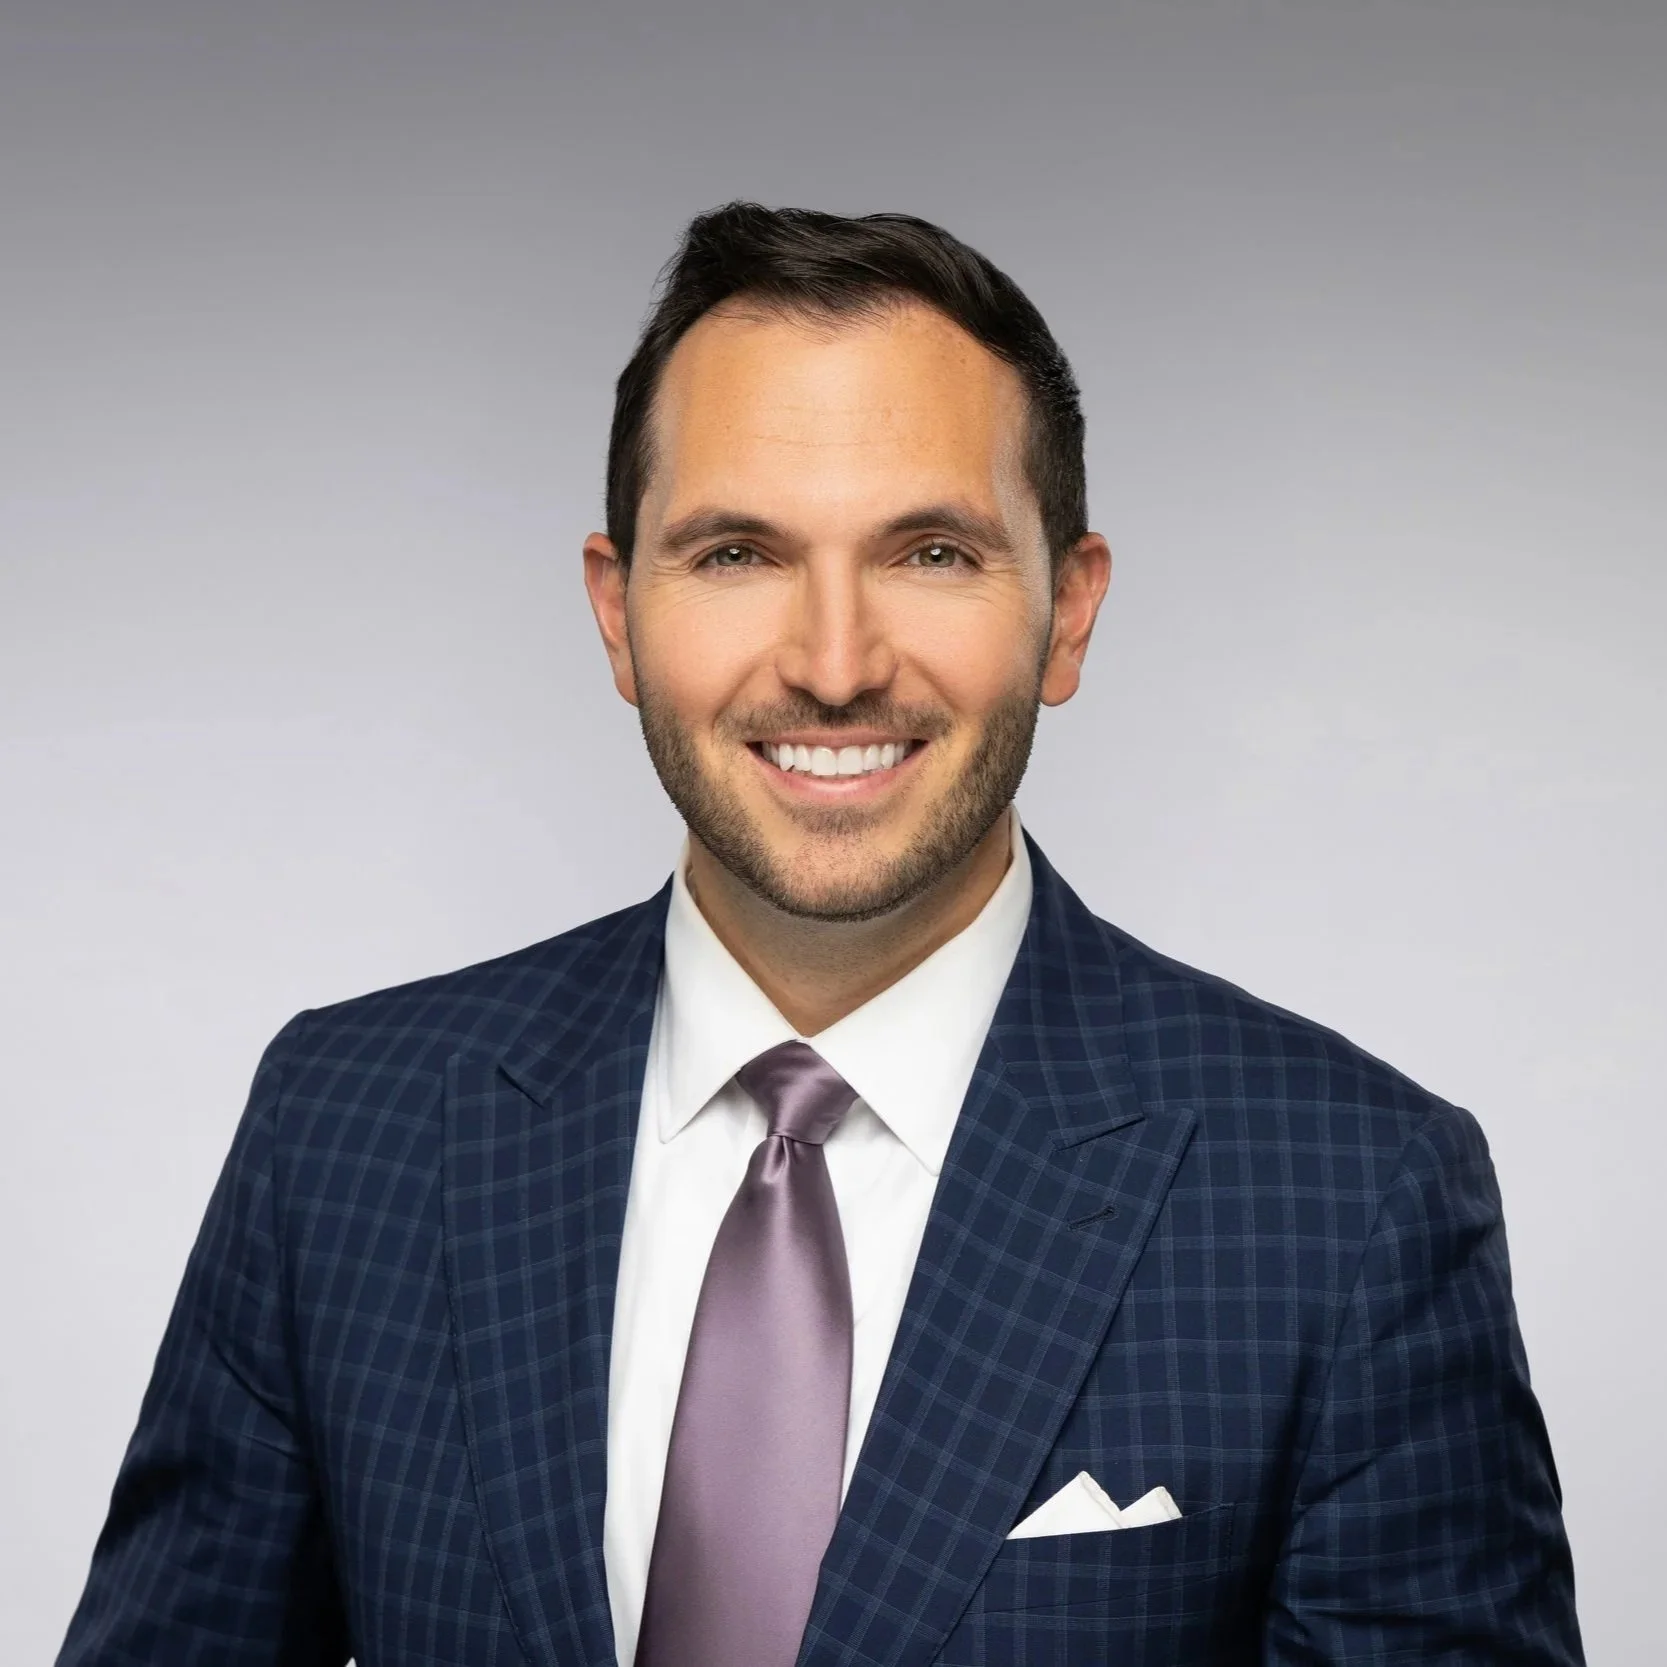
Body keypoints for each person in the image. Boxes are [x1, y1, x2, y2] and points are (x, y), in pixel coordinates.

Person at [58, 202, 1582, 1667]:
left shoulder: (1348, 1199)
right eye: (737, 553)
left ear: (1065, 612)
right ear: (617, 612)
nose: (834, 663)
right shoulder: (347, 1130)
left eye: (930, 552)